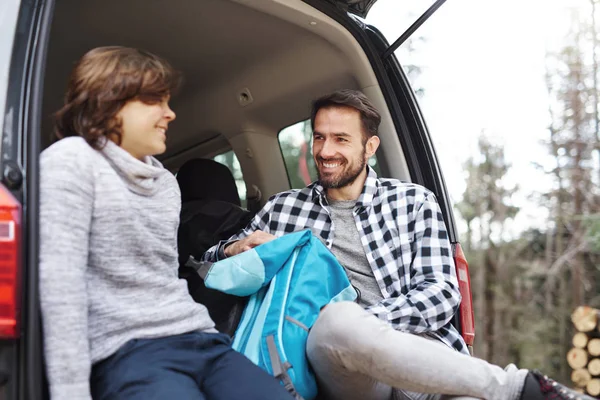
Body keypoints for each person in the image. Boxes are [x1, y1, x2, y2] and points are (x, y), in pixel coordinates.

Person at [203, 89, 593, 400]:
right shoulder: (282, 208)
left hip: (420, 357)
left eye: (340, 139)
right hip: (342, 372)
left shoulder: (413, 201)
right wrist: (230, 251)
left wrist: (371, 326)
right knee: (337, 321)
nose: (325, 151)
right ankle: (519, 387)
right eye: (319, 137)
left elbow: (442, 293)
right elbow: (209, 265)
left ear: (369, 147)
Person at [39, 46, 293, 400]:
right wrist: (70, 392)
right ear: (110, 102)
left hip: (200, 337)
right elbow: (59, 290)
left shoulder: (164, 183)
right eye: (156, 101)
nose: (170, 114)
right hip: (126, 348)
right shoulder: (70, 162)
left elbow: (163, 276)